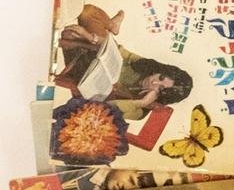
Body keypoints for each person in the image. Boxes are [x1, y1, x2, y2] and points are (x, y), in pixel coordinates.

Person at [58, 7, 193, 120]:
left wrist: (141, 102)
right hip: (95, 50)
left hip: (82, 73)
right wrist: (89, 37)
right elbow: (117, 50)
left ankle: (110, 26)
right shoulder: (146, 66)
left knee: (69, 34)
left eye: (160, 88)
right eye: (161, 77)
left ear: (161, 97)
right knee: (88, 12)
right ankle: (111, 26)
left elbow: (106, 109)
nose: (154, 82)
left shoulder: (139, 110)